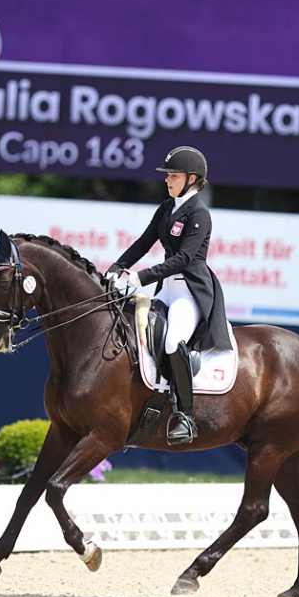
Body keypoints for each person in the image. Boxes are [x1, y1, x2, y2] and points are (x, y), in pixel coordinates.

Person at [106, 146, 232, 444]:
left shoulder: (199, 213)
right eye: (168, 176)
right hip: (167, 291)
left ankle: (184, 415)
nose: (167, 181)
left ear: (191, 179)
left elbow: (185, 258)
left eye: (173, 176)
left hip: (191, 293)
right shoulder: (167, 208)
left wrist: (140, 277)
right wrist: (117, 266)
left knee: (174, 341)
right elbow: (144, 241)